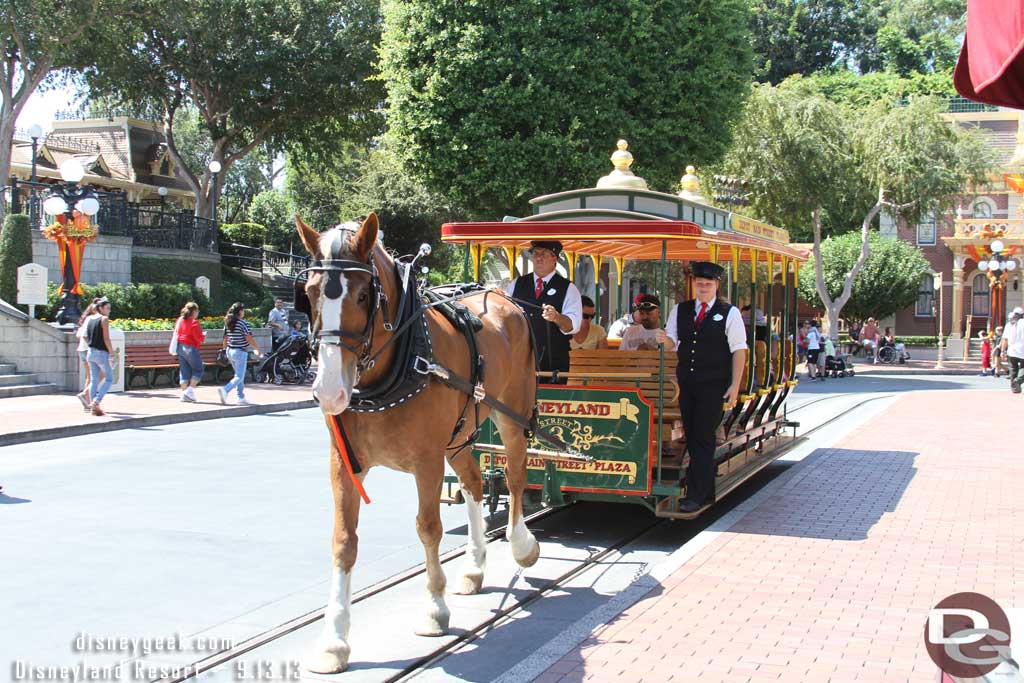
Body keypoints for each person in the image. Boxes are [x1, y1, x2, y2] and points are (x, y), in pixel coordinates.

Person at [662, 261, 747, 513]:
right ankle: (706, 492)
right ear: (694, 284)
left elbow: (739, 350)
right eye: (699, 284)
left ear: (716, 285)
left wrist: (735, 384)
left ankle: (695, 495)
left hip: (714, 385)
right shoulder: (681, 310)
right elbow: (671, 342)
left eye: (708, 284)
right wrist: (662, 340)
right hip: (687, 384)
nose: (703, 288)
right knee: (694, 434)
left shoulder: (728, 313)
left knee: (702, 437)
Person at [505, 240, 582, 382]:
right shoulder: (516, 284)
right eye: (535, 254)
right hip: (520, 361)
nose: (538, 258)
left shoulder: (568, 288)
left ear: (555, 258)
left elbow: (573, 326)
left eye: (544, 254)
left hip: (552, 364)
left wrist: (556, 317)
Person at [218, 302, 262, 406]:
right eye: (243, 310)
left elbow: (225, 338)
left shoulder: (228, 322)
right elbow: (248, 337)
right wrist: (257, 348)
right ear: (240, 311)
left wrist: (224, 350)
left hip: (230, 350)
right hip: (240, 351)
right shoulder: (243, 323)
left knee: (238, 375)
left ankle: (241, 397)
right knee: (239, 376)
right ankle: (225, 390)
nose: (244, 312)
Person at [84, 297, 115, 416]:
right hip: (101, 352)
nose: (109, 311)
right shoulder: (104, 319)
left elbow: (86, 336)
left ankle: (93, 406)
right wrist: (111, 353)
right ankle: (96, 401)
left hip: (90, 352)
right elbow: (106, 338)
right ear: (100, 308)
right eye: (107, 308)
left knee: (94, 380)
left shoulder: (90, 319)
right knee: (109, 378)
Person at [175, 302, 207, 402]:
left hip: (180, 347)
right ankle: (189, 391)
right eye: (197, 311)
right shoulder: (194, 322)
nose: (198, 313)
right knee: (199, 369)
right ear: (194, 311)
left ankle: (184, 395)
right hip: (190, 348)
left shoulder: (180, 320)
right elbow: (199, 338)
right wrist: (204, 335)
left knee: (184, 371)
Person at [74, 298, 101, 411]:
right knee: (100, 374)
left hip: (82, 349)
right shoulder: (94, 319)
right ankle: (85, 395)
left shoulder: (86, 319)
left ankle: (87, 402)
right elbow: (84, 335)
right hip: (89, 350)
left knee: (90, 377)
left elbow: (78, 334)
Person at [1001, 307, 1024, 393]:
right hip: (1022, 351)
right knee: (1023, 367)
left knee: (1013, 369)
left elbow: (1004, 339)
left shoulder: (1009, 324)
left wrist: (1003, 351)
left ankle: (1014, 388)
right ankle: (1018, 380)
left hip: (1011, 351)